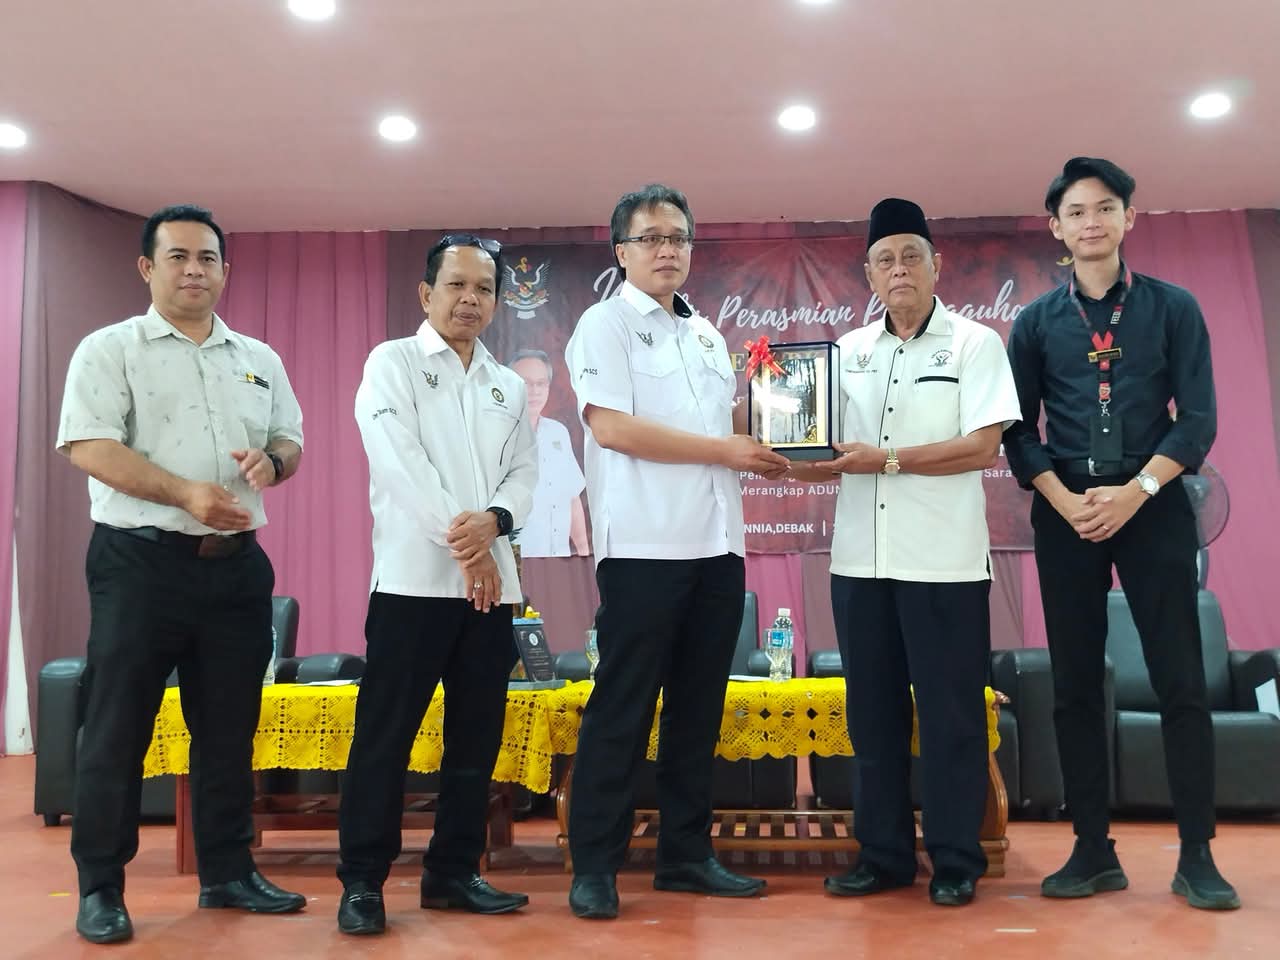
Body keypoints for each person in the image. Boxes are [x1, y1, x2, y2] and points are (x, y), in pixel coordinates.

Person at [57, 204, 306, 944]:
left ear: (225, 270)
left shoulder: (257, 358)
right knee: (118, 726)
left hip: (236, 570)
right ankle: (101, 886)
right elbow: (90, 446)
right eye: (178, 257)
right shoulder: (110, 349)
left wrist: (273, 464)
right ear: (147, 267)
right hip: (140, 564)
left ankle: (227, 872)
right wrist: (184, 493)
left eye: (208, 258)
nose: (195, 270)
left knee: (229, 729)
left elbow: (289, 440)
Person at [1004, 157, 1238, 910]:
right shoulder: (1036, 323)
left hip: (1154, 503)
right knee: (1074, 684)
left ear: (1129, 218)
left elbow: (1196, 420)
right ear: (1057, 228)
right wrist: (1064, 500)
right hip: (1066, 510)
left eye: (1105, 207)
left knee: (1181, 679)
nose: (1091, 222)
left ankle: (1197, 853)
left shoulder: (1173, 308)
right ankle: (1091, 849)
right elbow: (1017, 430)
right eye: (1076, 212)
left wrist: (1137, 493)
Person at [563, 184, 790, 920]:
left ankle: (686, 855)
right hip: (644, 547)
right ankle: (595, 865)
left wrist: (781, 434)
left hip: (718, 545)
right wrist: (725, 448)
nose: (667, 250)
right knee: (623, 707)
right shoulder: (604, 325)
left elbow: (727, 427)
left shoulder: (704, 335)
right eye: (651, 237)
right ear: (622, 251)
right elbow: (613, 429)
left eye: (679, 238)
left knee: (698, 709)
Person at [790, 198, 1020, 906]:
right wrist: (790, 450)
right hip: (861, 566)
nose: (899, 270)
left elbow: (983, 446)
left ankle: (955, 859)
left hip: (944, 565)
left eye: (911, 256)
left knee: (952, 717)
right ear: (868, 273)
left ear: (936, 265)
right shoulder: (849, 352)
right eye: (884, 260)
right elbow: (823, 445)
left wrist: (887, 460)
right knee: (872, 716)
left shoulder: (975, 344)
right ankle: (883, 856)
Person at [336, 234, 538, 935]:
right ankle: (363, 882)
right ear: (426, 294)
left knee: (475, 743)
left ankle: (453, 873)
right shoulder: (391, 364)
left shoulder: (508, 384)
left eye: (483, 289)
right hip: (412, 587)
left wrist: (495, 524)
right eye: (456, 285)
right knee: (384, 739)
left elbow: (525, 474)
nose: (470, 299)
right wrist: (468, 546)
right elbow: (400, 465)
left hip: (491, 595)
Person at [508, 348, 590, 556]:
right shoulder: (497, 435)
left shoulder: (558, 432)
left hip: (559, 556)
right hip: (518, 558)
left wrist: (583, 551)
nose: (534, 391)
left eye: (541, 383)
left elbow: (572, 497)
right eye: (525, 383)